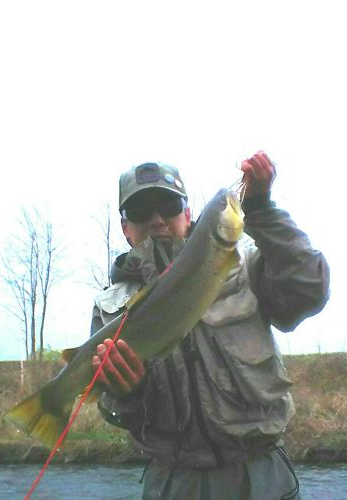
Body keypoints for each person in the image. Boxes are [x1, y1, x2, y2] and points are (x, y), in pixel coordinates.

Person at [89, 152, 330, 500]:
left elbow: (310, 289)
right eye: (141, 212)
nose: (157, 220)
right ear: (126, 229)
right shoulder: (110, 311)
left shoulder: (243, 265)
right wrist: (129, 393)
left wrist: (262, 210)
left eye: (168, 205)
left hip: (261, 475)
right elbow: (116, 411)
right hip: (173, 482)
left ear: (187, 214)